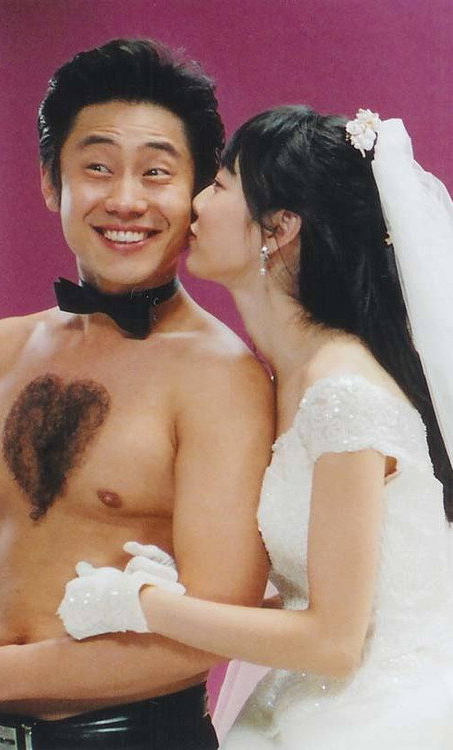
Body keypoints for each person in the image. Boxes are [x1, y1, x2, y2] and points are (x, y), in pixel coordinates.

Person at [62, 105, 453, 748]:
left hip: (376, 718)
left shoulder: (343, 393)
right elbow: (325, 597)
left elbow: (333, 643)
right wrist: (174, 595)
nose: (195, 203)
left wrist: (144, 606)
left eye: (219, 185)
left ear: (279, 228)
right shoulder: (288, 377)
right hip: (315, 703)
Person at [0, 39, 274, 749]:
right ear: (52, 183)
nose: (126, 200)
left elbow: (218, 628)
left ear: (196, 195)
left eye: (157, 172)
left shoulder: (223, 379)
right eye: (97, 167)